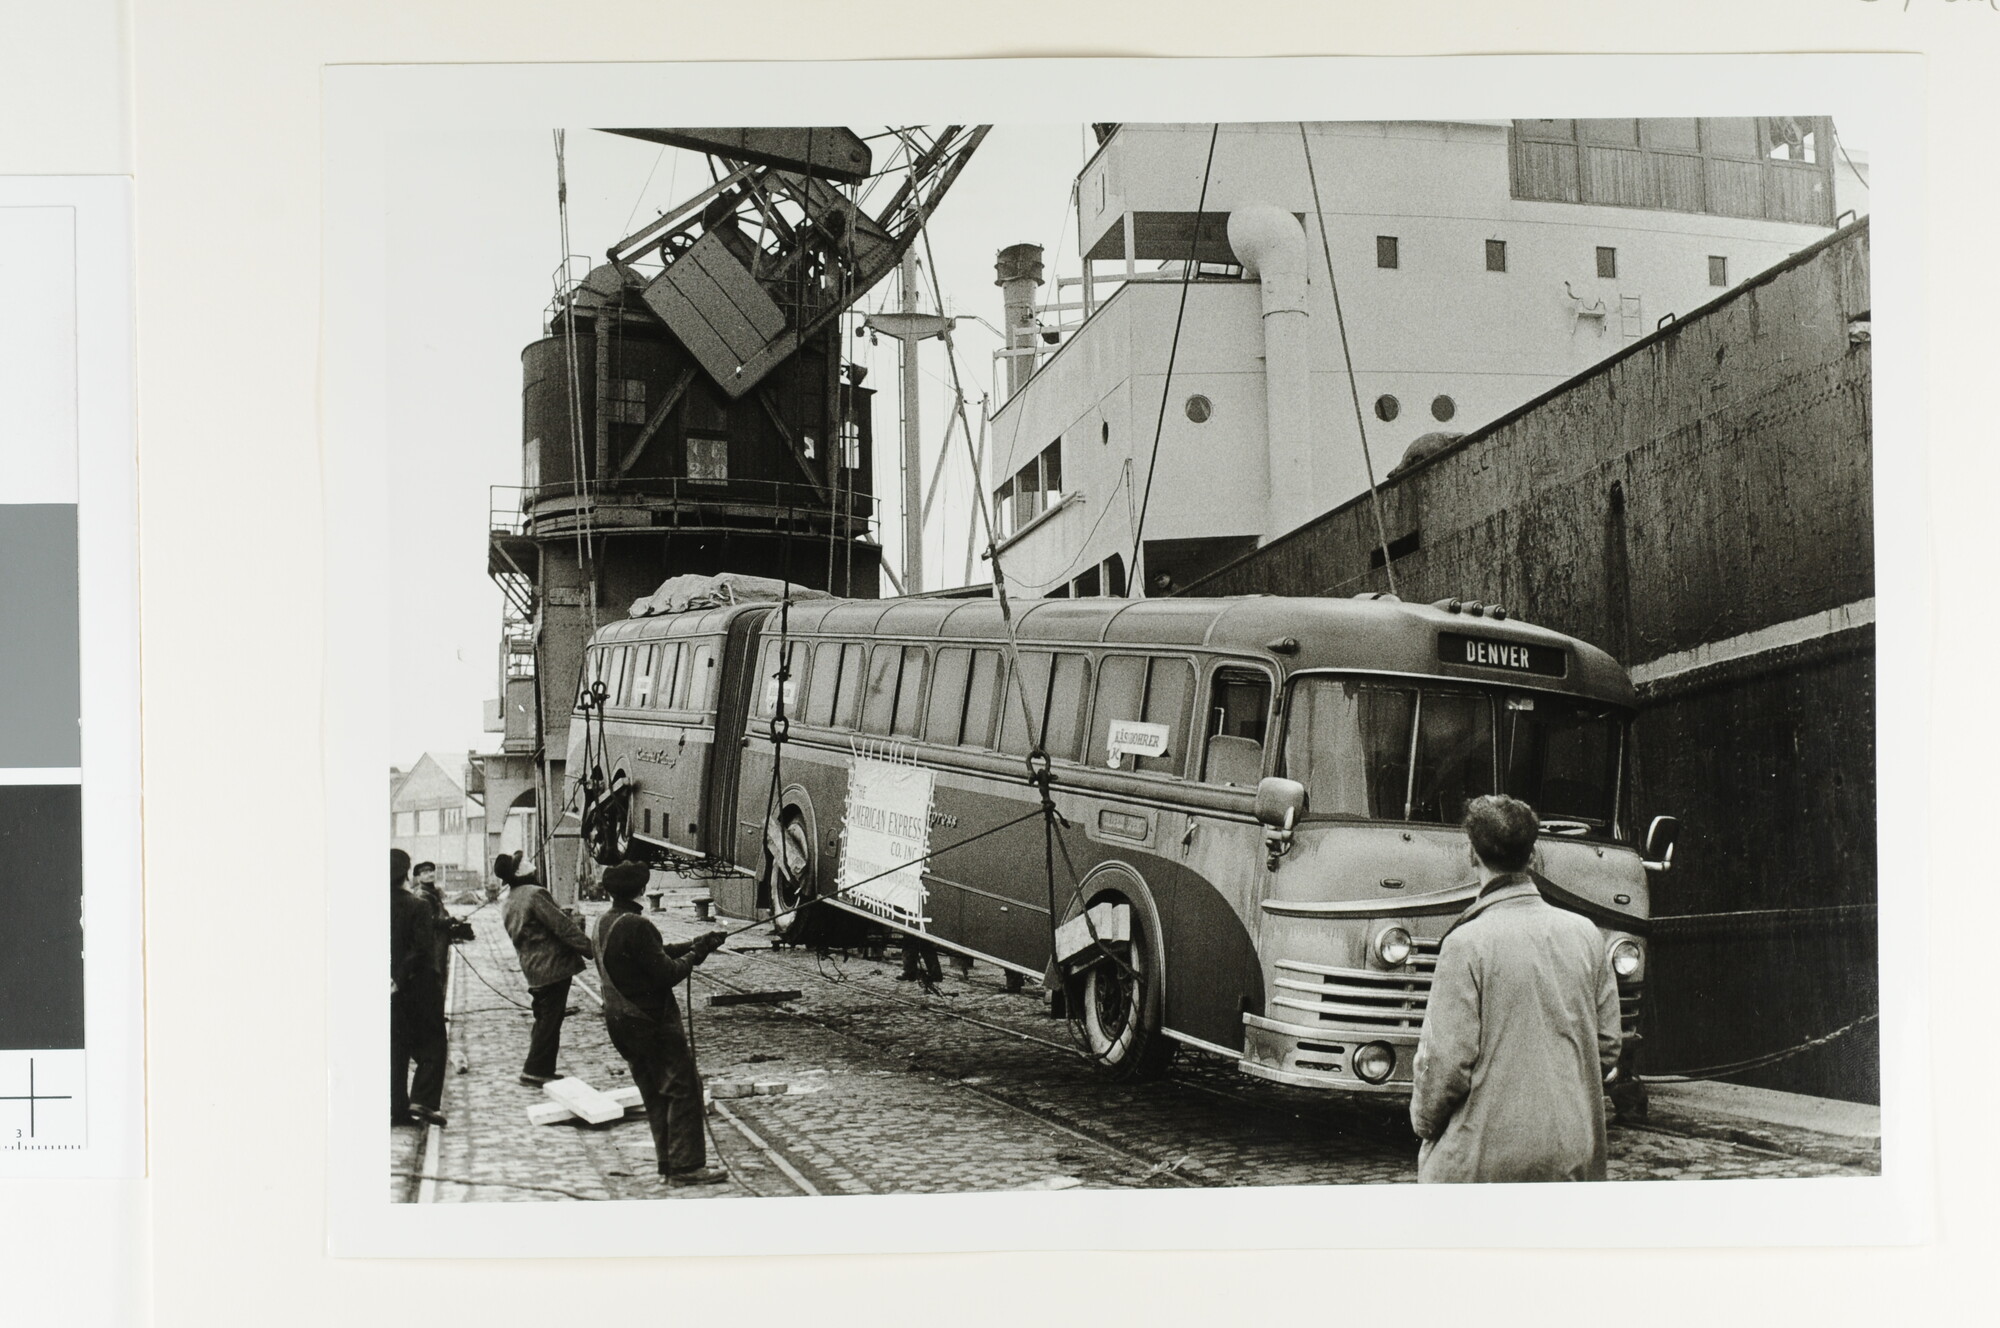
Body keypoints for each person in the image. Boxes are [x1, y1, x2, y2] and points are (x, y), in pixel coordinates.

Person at [1409, 794, 1623, 1183]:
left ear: (1470, 853)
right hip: (1572, 1151)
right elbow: (1607, 1044)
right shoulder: (1585, 934)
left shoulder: (1465, 944)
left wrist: (1424, 1124)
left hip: (1481, 1161)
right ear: (1533, 853)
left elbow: (1445, 1066)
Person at [594, 861, 730, 1187]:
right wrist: (695, 955)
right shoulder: (638, 925)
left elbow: (655, 954)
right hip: (649, 1023)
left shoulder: (604, 921)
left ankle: (668, 1166)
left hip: (620, 1023)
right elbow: (668, 973)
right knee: (683, 1088)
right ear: (642, 890)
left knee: (655, 1094)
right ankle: (687, 1168)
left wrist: (697, 943)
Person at [498, 851, 595, 1087]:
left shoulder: (510, 899)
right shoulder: (535, 894)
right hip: (552, 967)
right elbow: (562, 927)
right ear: (520, 872)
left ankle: (543, 1068)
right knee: (550, 1020)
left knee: (544, 1017)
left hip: (532, 968)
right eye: (526, 863)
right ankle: (535, 1070)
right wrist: (593, 951)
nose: (532, 865)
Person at [390, 848, 448, 1127]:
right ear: (406, 874)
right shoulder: (417, 905)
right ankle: (423, 1100)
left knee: (396, 1048)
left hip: (389, 987)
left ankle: (397, 1109)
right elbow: (421, 949)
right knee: (433, 1044)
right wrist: (400, 978)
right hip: (418, 986)